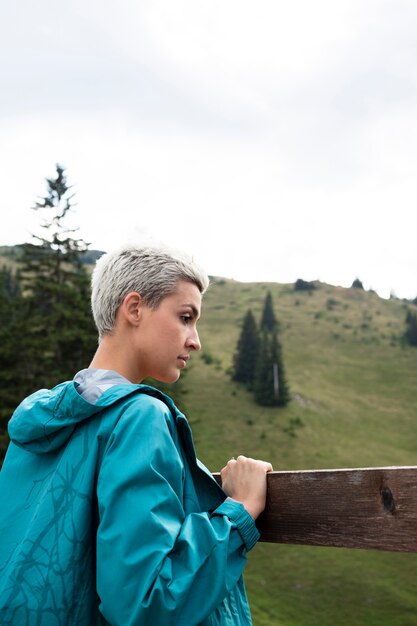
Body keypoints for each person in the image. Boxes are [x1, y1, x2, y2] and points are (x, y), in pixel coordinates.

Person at [0, 243, 273, 625]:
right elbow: (146, 604)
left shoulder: (37, 424)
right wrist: (238, 512)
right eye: (185, 317)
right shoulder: (140, 416)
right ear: (134, 308)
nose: (195, 340)